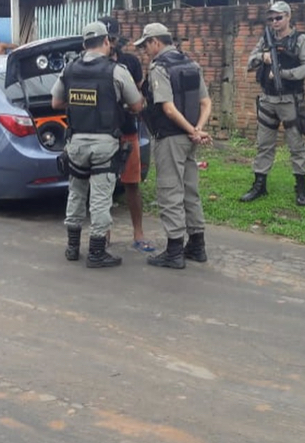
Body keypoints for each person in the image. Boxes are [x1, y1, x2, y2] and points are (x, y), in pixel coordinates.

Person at [51, 21, 144, 268]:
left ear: (84, 44)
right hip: (104, 144)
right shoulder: (116, 71)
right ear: (105, 41)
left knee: (76, 193)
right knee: (101, 198)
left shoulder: (69, 69)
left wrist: (80, 103)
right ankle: (96, 252)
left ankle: (72, 248)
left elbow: (56, 103)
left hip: (76, 143)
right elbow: (137, 105)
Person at [135, 22, 212, 269]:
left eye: (146, 46)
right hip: (190, 140)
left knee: (170, 191)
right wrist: (197, 130)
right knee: (190, 190)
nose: (145, 51)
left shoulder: (160, 67)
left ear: (155, 42)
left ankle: (174, 251)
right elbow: (206, 103)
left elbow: (167, 108)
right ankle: (197, 245)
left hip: (170, 137)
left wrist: (191, 130)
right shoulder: (191, 64)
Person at [241, 1, 305, 206]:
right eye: (271, 18)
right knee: (264, 144)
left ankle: (301, 187)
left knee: (296, 145)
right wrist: (263, 57)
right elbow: (249, 62)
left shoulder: (300, 40)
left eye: (278, 17)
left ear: (288, 17)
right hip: (267, 99)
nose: (274, 22)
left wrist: (284, 74)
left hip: (290, 100)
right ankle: (259, 185)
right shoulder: (266, 39)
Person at [97, 15, 156, 254]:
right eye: (107, 39)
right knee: (102, 187)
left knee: (132, 184)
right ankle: (103, 235)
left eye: (113, 39)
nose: (110, 43)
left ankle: (138, 234)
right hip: (102, 133)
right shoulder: (90, 64)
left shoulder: (129, 62)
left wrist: (137, 106)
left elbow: (141, 95)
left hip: (128, 131)